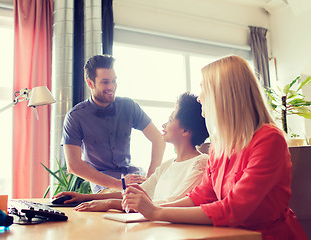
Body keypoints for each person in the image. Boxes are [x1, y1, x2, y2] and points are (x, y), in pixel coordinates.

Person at [122, 56, 307, 240]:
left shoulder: (269, 139)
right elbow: (200, 197)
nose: (200, 97)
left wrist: (156, 212)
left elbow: (234, 209)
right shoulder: (219, 145)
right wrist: (151, 209)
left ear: (225, 94)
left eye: (204, 89)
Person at [54, 93, 209, 212]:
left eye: (170, 120)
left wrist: (110, 204)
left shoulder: (201, 163)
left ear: (185, 131)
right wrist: (85, 197)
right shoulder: (166, 166)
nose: (163, 124)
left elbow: (172, 203)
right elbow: (134, 194)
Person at [61, 55, 166, 193]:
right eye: (105, 82)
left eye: (114, 81)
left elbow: (159, 139)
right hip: (104, 184)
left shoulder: (129, 106)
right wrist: (119, 184)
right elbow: (73, 165)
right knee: (126, 202)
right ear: (90, 83)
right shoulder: (75, 117)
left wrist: (151, 179)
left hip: (133, 176)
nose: (111, 86)